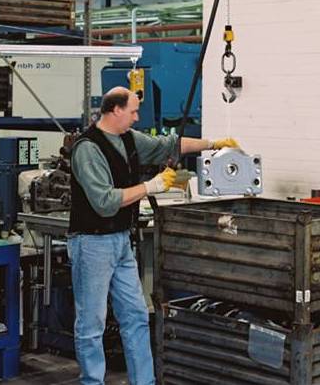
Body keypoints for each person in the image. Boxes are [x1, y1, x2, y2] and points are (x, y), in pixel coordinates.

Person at [68, 86, 238, 385]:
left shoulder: (129, 139)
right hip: (92, 243)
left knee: (136, 316)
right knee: (91, 324)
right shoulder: (88, 148)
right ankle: (92, 381)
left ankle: (144, 381)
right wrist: (152, 186)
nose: (137, 118)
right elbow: (105, 202)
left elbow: (169, 144)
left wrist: (213, 143)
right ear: (116, 110)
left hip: (121, 240)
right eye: (133, 112)